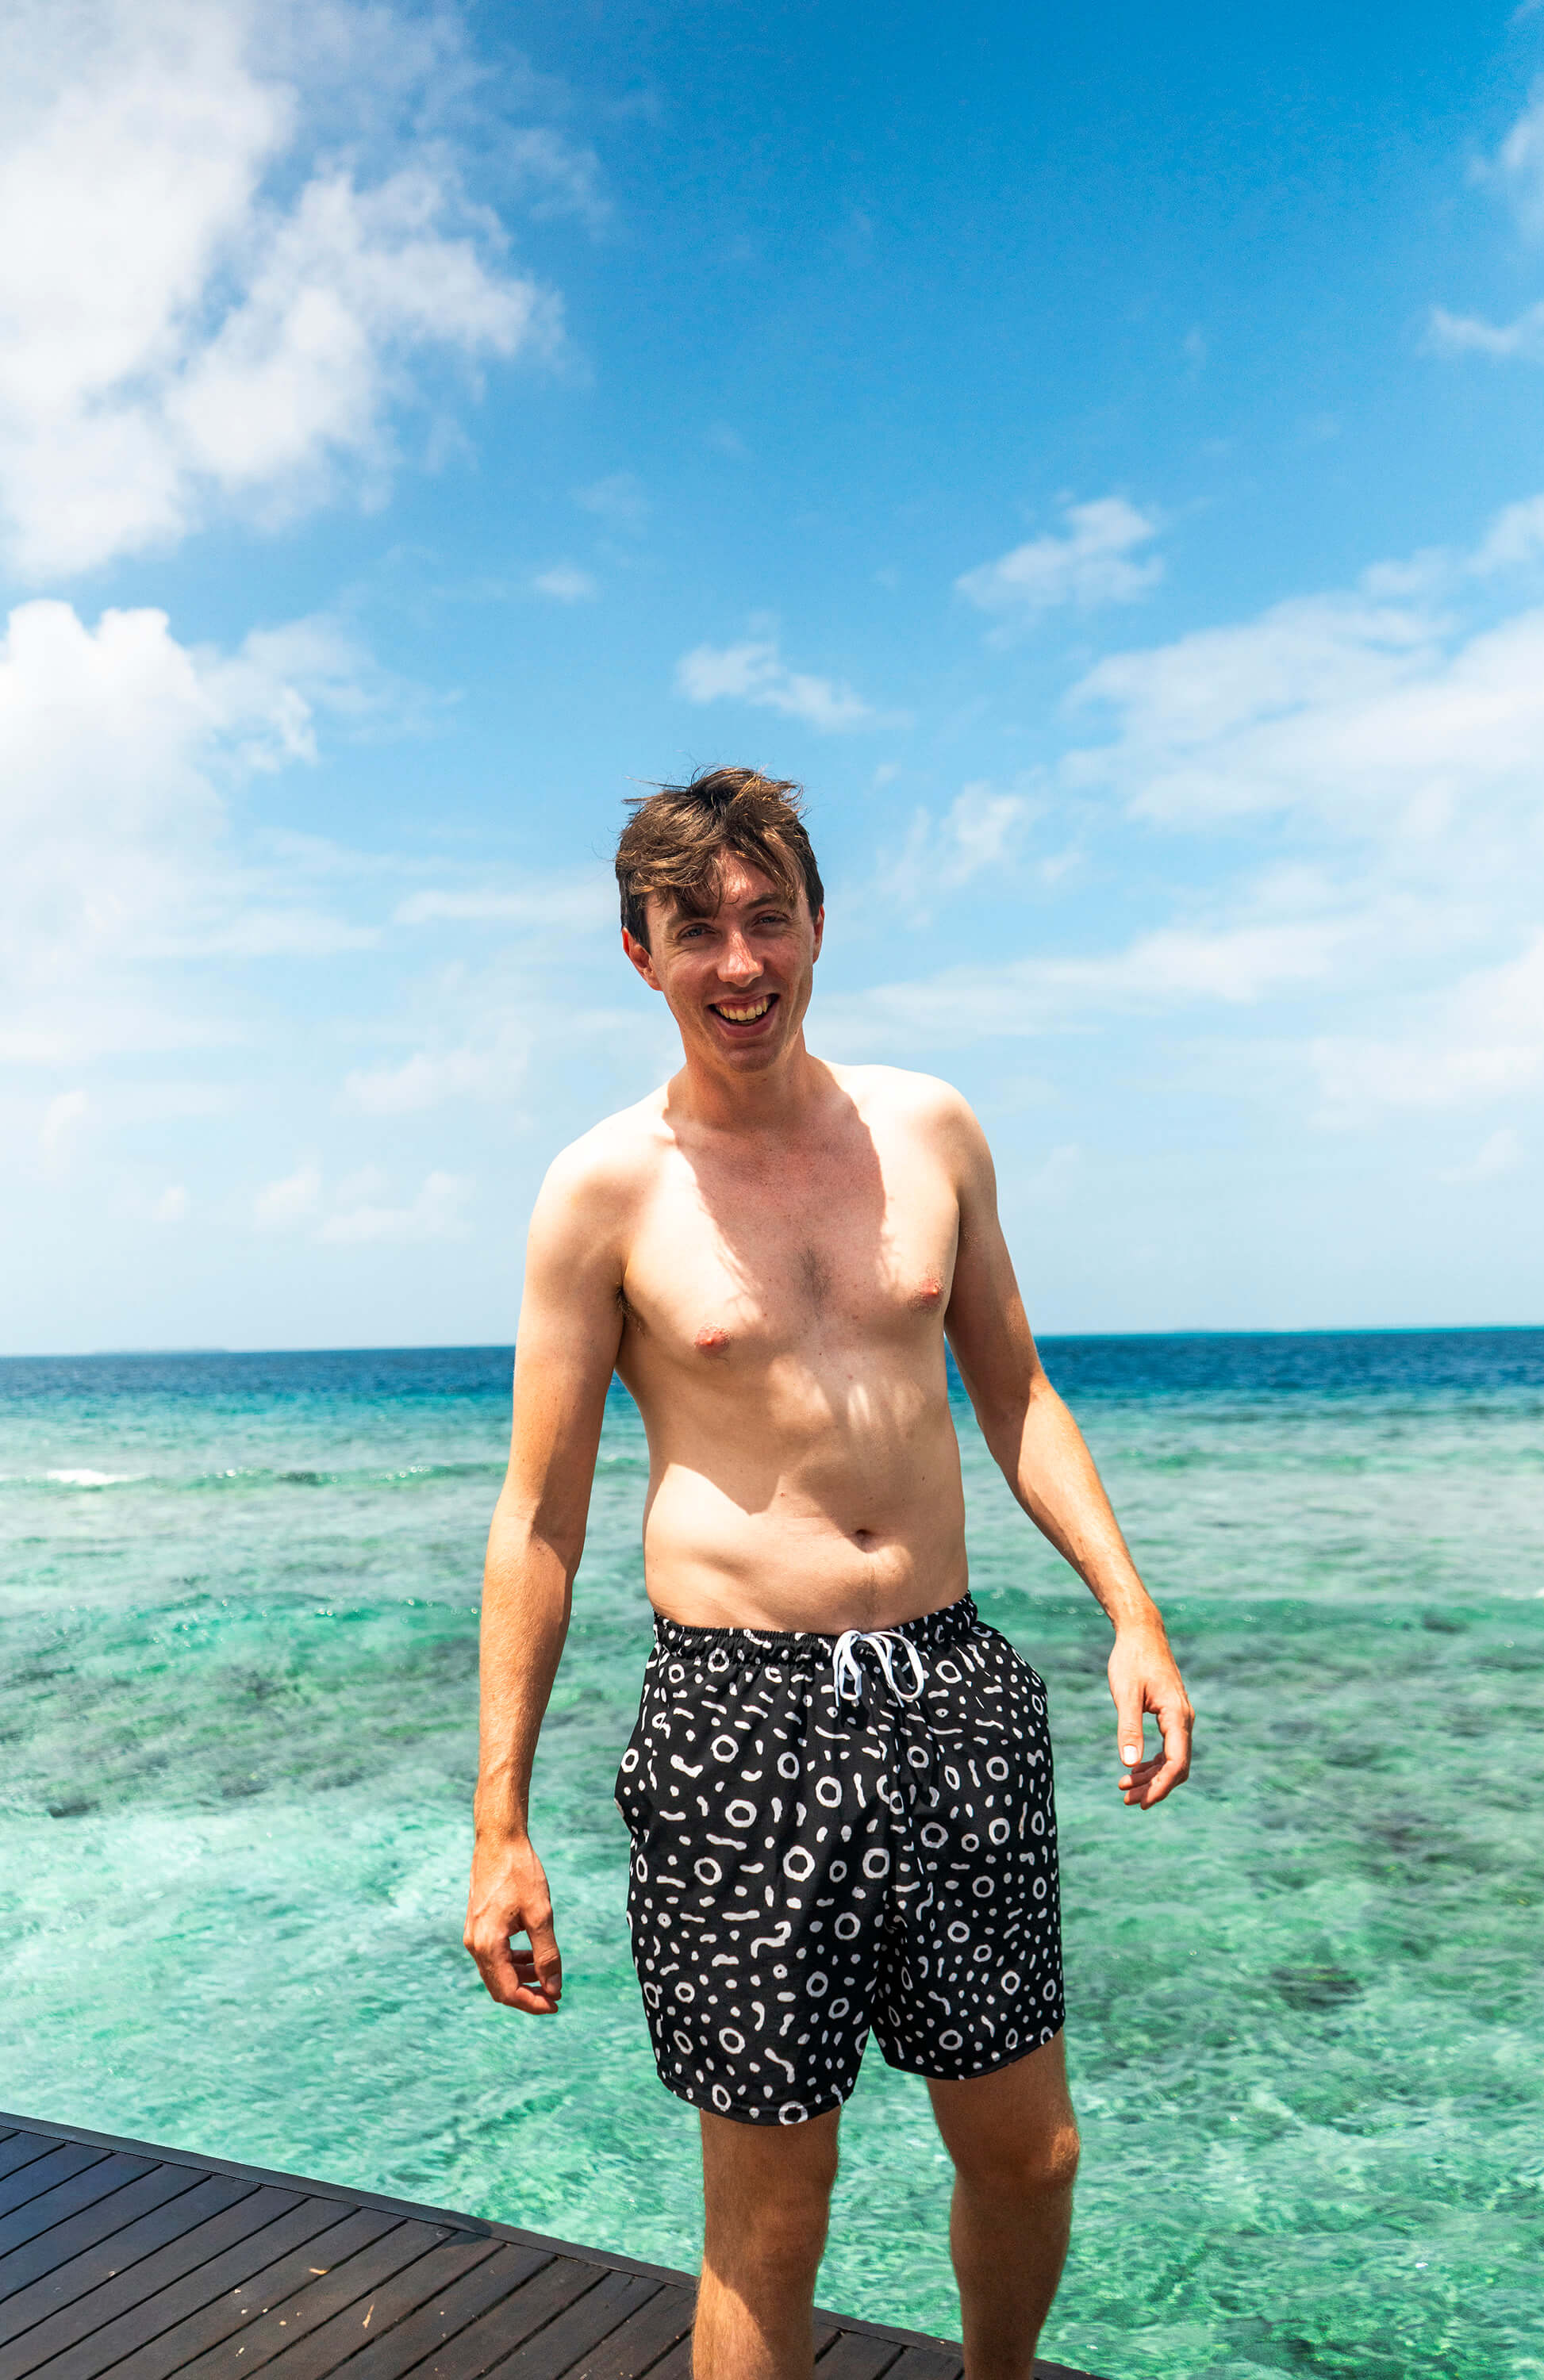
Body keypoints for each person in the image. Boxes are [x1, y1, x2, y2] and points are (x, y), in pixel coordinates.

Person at [464, 768, 1194, 2380]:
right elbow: (539, 1517)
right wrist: (499, 1822)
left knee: (1030, 2153)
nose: (739, 964)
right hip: (739, 1716)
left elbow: (1015, 1393)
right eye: (697, 930)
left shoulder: (930, 1132)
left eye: (767, 918)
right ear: (640, 952)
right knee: (773, 2215)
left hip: (951, 1689)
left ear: (816, 925)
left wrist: (1130, 1615)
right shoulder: (601, 1192)